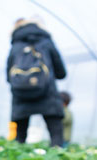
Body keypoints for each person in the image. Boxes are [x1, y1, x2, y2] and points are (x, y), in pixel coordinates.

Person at [7, 18, 66, 147]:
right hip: (47, 93)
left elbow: (8, 76)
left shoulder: (16, 45)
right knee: (56, 135)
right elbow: (61, 73)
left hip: (21, 95)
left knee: (20, 138)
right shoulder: (46, 42)